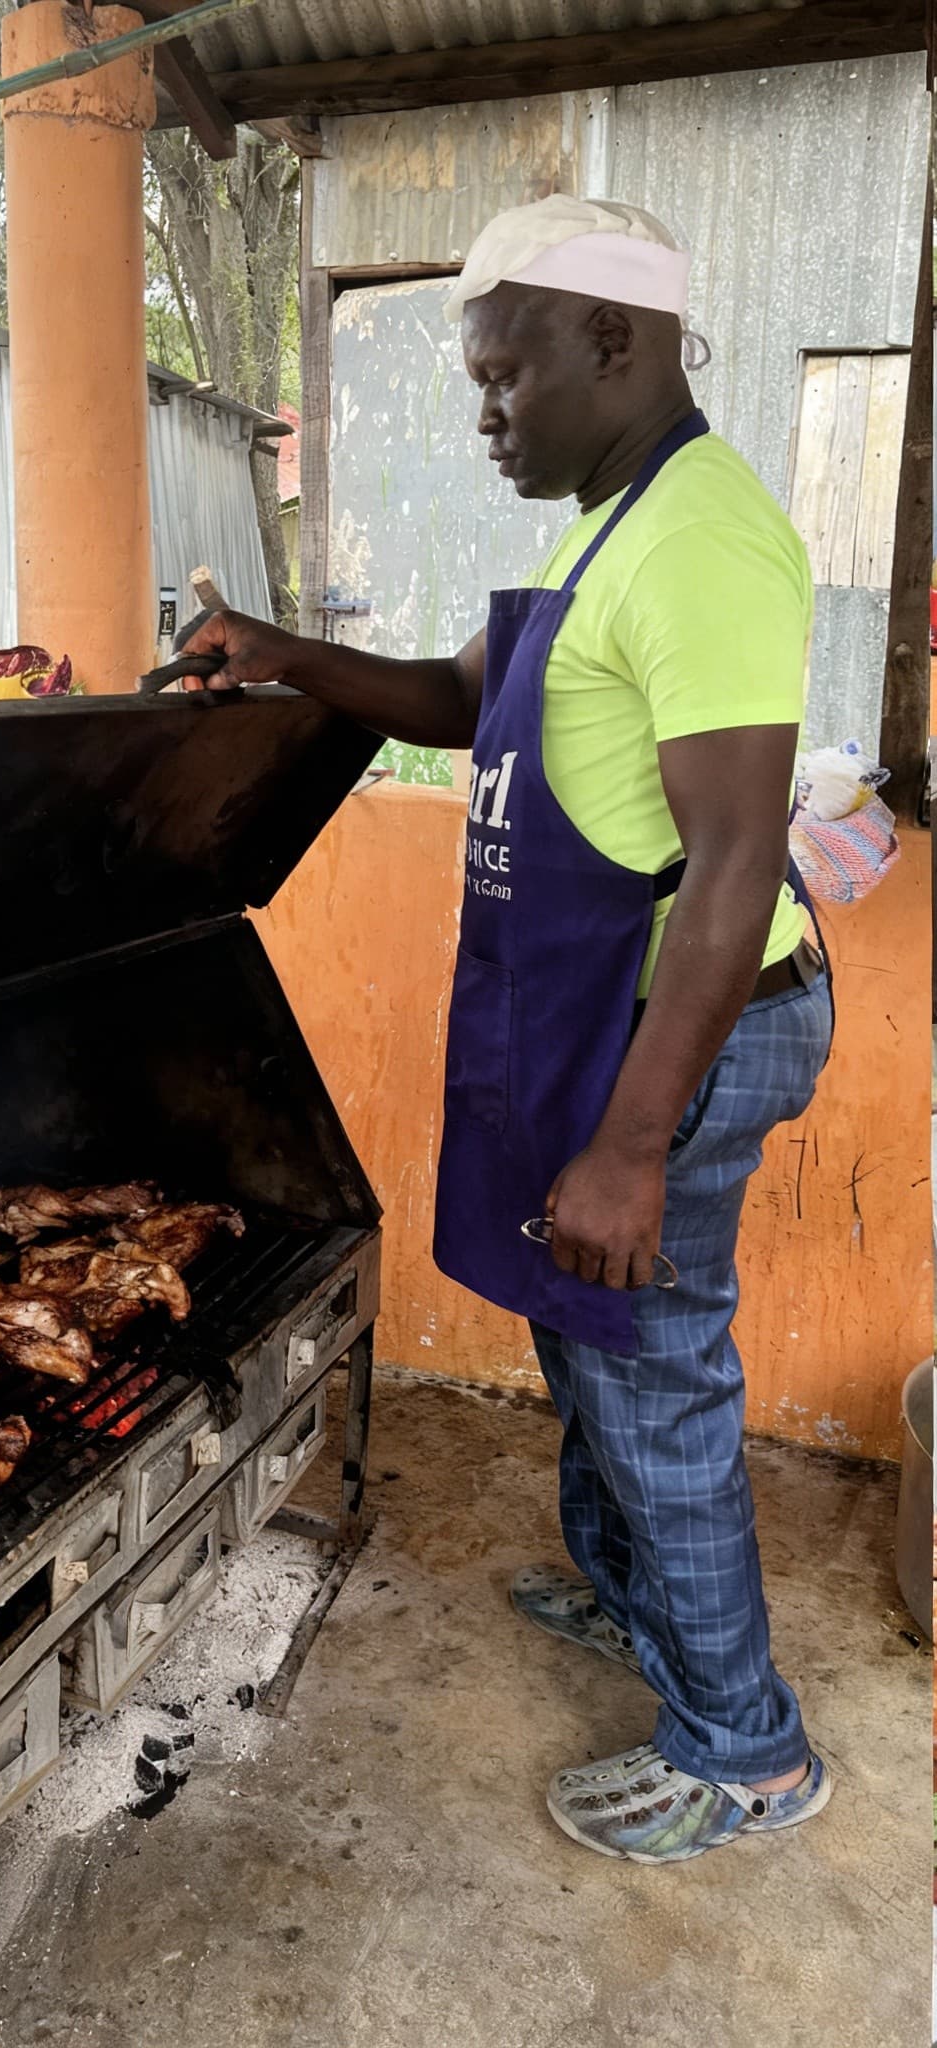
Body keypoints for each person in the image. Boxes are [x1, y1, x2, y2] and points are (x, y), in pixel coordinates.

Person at [180, 193, 835, 1864]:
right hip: (600, 1022)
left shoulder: (703, 538)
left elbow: (738, 854)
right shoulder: (603, 523)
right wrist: (277, 655)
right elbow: (465, 701)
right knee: (591, 1351)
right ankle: (641, 1603)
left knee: (653, 1381)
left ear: (613, 344)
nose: (481, 417)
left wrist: (628, 1149)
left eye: (500, 380)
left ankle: (747, 1748)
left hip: (671, 1040)